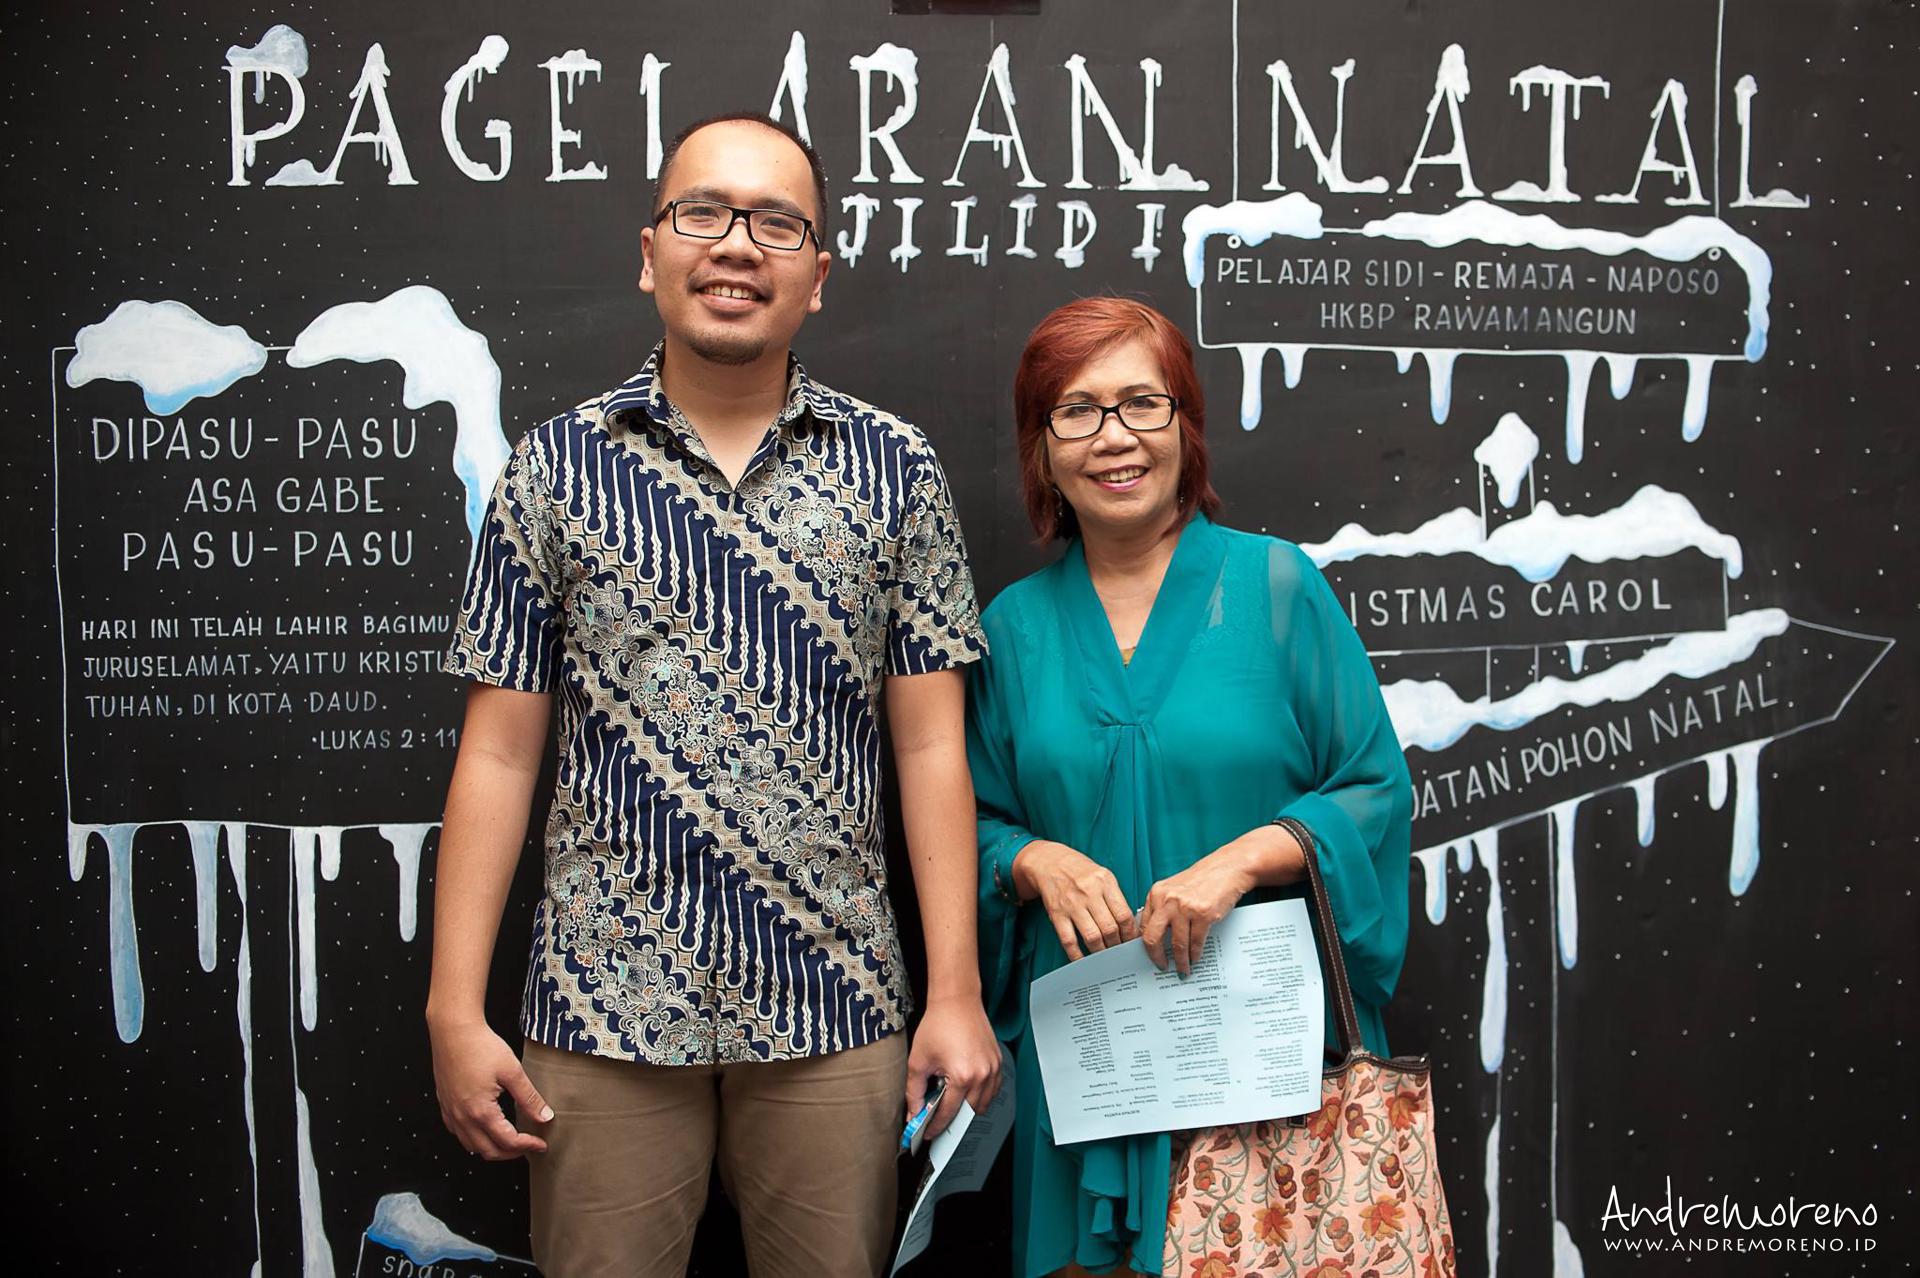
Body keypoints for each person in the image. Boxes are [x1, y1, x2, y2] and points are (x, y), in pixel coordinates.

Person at [427, 111, 1001, 1278]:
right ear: (651, 254)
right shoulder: (555, 469)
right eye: (704, 213)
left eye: (776, 223)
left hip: (835, 1007)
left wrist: (955, 992)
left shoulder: (896, 469)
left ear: (818, 275)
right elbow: (498, 753)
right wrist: (452, 1007)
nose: (737, 244)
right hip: (602, 1006)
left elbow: (931, 749)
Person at [966, 297, 1413, 1278]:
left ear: (1186, 424)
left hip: (1262, 1059)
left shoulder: (1277, 587)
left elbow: (1374, 788)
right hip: (1093, 1068)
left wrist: (1242, 862)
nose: (1114, 436)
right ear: (1041, 450)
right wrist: (1031, 861)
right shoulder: (1011, 630)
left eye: (1143, 403)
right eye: (1076, 411)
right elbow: (975, 823)